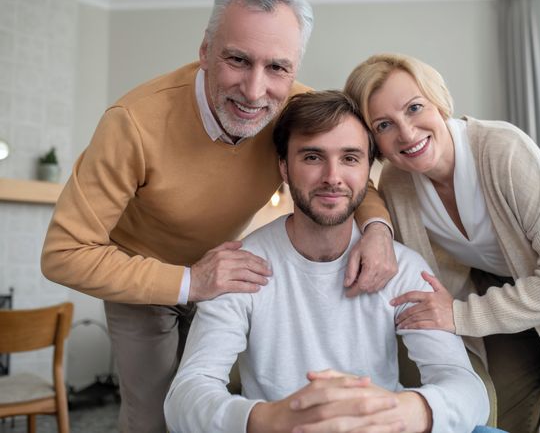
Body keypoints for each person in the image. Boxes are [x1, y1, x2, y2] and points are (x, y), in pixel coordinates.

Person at [40, 0, 398, 431]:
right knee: (153, 416)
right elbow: (62, 253)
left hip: (225, 273)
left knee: (213, 408)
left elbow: (352, 172)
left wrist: (379, 230)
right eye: (238, 60)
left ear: (294, 67)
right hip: (141, 276)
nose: (254, 91)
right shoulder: (132, 123)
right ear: (205, 51)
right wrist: (190, 281)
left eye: (277, 67)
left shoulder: (295, 109)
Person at [164, 90, 493, 433]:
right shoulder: (241, 268)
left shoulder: (401, 266)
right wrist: (268, 419)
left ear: (367, 170)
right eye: (312, 157)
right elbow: (184, 397)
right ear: (284, 167)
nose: (332, 177)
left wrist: (402, 412)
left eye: (350, 158)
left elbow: (468, 390)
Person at [344, 53, 540, 432]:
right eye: (384, 125)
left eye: (414, 108)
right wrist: (377, 229)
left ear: (438, 101)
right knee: (495, 419)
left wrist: (461, 315)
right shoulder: (397, 182)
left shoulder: (502, 149)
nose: (407, 133)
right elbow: (355, 181)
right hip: (500, 297)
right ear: (373, 142)